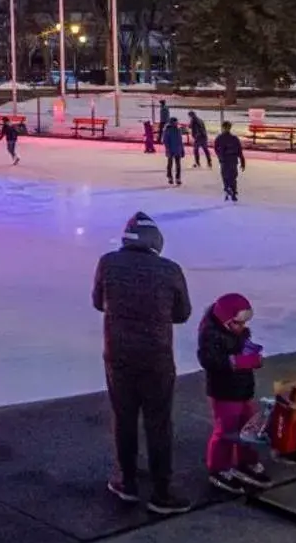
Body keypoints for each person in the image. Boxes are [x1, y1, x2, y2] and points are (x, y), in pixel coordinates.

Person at [92, 212, 193, 515]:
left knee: (124, 418)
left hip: (118, 355)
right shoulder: (169, 270)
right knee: (158, 421)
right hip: (156, 357)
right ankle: (162, 490)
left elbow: (99, 302)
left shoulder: (107, 263)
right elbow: (182, 313)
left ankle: (128, 481)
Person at [196, 292, 270, 493]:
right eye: (238, 323)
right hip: (224, 390)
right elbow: (209, 360)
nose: (243, 327)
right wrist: (238, 361)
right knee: (226, 430)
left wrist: (251, 355)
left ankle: (247, 461)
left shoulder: (240, 332)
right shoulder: (210, 335)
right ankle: (218, 468)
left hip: (243, 387)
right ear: (226, 321)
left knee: (250, 425)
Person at [214, 120, 247, 202]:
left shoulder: (220, 138)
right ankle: (232, 191)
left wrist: (220, 157)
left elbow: (216, 149)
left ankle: (228, 190)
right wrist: (242, 161)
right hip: (231, 160)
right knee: (232, 177)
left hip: (225, 160)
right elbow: (239, 151)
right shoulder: (234, 138)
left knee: (226, 176)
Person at [161, 117, 185, 186]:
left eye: (176, 122)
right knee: (170, 164)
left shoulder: (178, 130)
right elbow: (165, 141)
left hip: (178, 150)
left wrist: (182, 150)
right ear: (171, 123)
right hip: (170, 150)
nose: (176, 123)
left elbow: (180, 141)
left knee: (178, 165)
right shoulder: (167, 130)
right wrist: (168, 149)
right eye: (174, 122)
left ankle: (178, 178)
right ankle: (169, 177)